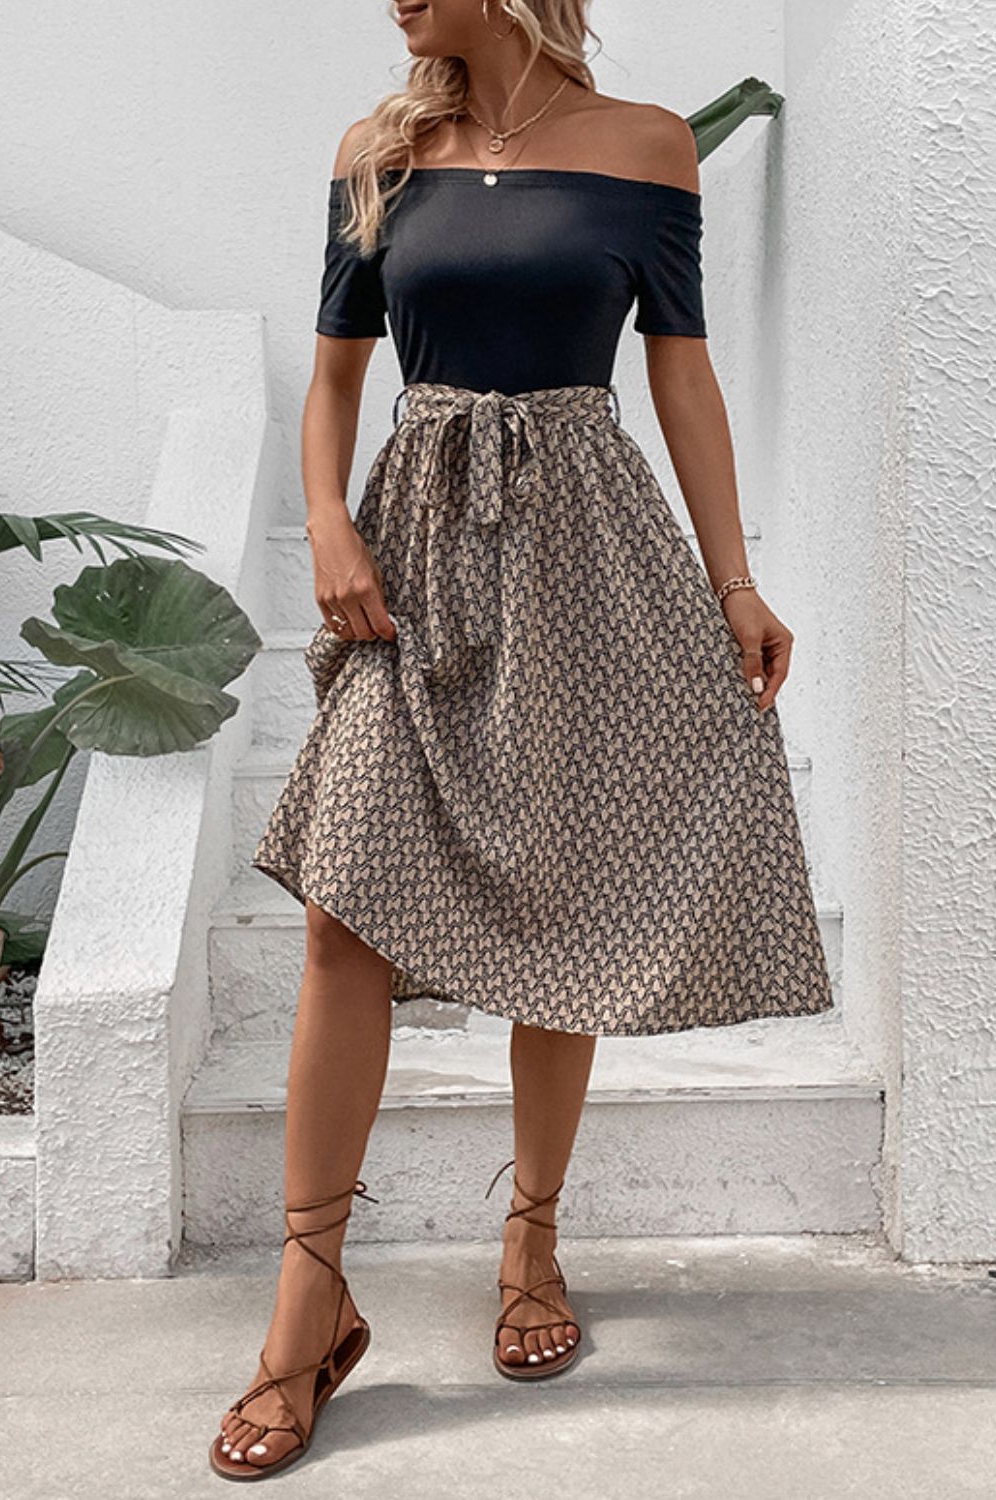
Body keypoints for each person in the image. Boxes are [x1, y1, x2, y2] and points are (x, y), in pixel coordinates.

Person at [210, 0, 834, 1480]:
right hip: (417, 548)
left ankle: (534, 1239)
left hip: (587, 553)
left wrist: (734, 582)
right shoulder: (380, 151)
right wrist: (326, 523)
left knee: (565, 901)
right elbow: (335, 379)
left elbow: (681, 371)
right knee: (344, 912)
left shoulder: (647, 146)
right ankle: (310, 1295)